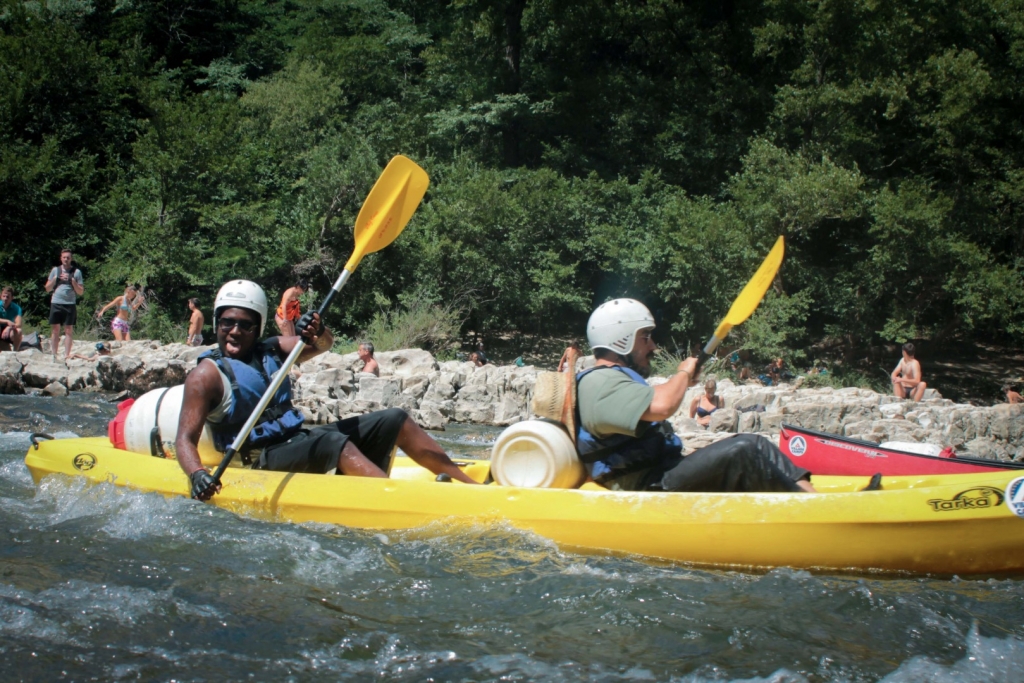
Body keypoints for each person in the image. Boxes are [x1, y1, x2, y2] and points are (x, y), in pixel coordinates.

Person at [177, 280, 479, 501]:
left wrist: (317, 329)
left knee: (394, 419)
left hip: (296, 440)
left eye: (245, 325)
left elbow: (323, 345)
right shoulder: (205, 376)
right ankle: (400, 502)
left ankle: (470, 488)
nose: (235, 331)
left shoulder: (271, 348)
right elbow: (184, 440)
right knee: (333, 441)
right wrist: (197, 474)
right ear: (217, 323)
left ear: (257, 327)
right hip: (258, 460)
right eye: (227, 323)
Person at [575, 298, 815, 493]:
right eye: (645, 337)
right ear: (621, 340)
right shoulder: (598, 383)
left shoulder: (609, 380)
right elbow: (662, 405)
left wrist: (684, 378)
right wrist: (683, 373)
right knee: (744, 450)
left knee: (757, 444)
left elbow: (656, 397)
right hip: (646, 486)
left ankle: (813, 504)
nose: (653, 346)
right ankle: (807, 517)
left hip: (661, 474)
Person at [44, 249, 84, 359]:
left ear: (71, 259)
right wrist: (55, 279)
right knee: (55, 329)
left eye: (68, 257)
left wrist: (72, 281)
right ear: (61, 258)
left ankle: (66, 354)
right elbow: (47, 288)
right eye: (64, 257)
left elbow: (80, 292)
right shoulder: (55, 270)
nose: (66, 259)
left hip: (70, 303)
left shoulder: (76, 272)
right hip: (56, 302)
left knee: (68, 329)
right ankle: (54, 354)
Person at [0, 286, 23, 352]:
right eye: (4, 296)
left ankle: (15, 352)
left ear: (12, 298)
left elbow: (19, 324)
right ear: (1, 296)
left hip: (9, 331)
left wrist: (9, 327)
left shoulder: (16, 308)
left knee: (19, 331)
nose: (5, 298)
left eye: (8, 297)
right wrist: (7, 321)